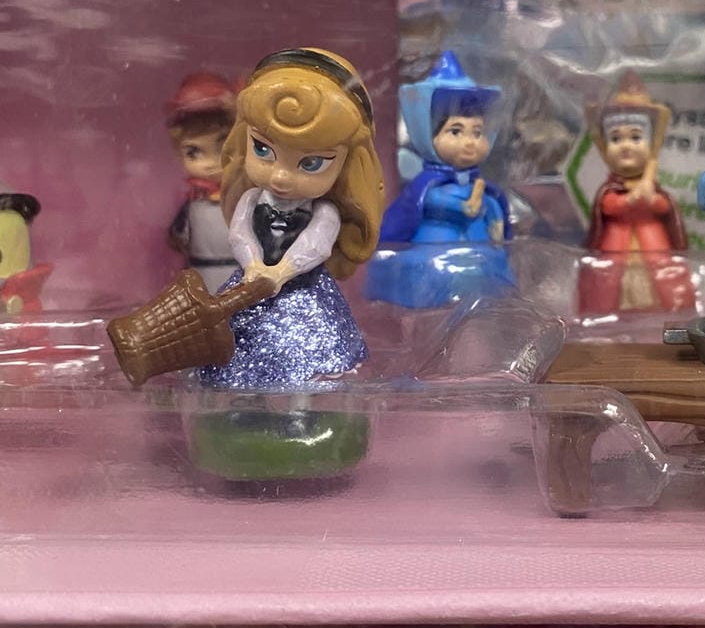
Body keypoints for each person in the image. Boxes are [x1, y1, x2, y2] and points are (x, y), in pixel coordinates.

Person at [195, 47, 384, 390]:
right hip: (251, 283)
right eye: (263, 150)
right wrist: (254, 267)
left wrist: (281, 272)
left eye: (311, 163)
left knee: (313, 366)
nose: (281, 177)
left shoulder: (323, 212)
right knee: (228, 357)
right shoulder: (252, 199)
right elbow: (240, 235)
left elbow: (316, 245)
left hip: (304, 295)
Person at [368, 51, 513, 309]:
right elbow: (434, 203)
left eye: (477, 132)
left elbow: (493, 211)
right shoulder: (428, 187)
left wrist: (493, 215)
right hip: (436, 252)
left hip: (479, 252)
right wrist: (462, 206)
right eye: (455, 131)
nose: (470, 142)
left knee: (490, 284)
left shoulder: (483, 188)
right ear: (427, 133)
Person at [578, 72, 694, 319]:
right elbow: (607, 206)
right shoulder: (609, 189)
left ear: (649, 144)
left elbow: (664, 207)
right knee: (610, 289)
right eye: (616, 138)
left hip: (653, 245)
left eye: (635, 137)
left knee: (660, 289)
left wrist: (652, 201)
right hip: (615, 247)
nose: (626, 145)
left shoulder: (652, 186)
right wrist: (628, 201)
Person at [165, 71, 238, 292]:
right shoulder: (194, 203)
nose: (210, 164)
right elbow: (178, 238)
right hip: (202, 279)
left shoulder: (247, 198)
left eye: (222, 147)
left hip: (243, 278)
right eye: (193, 153)